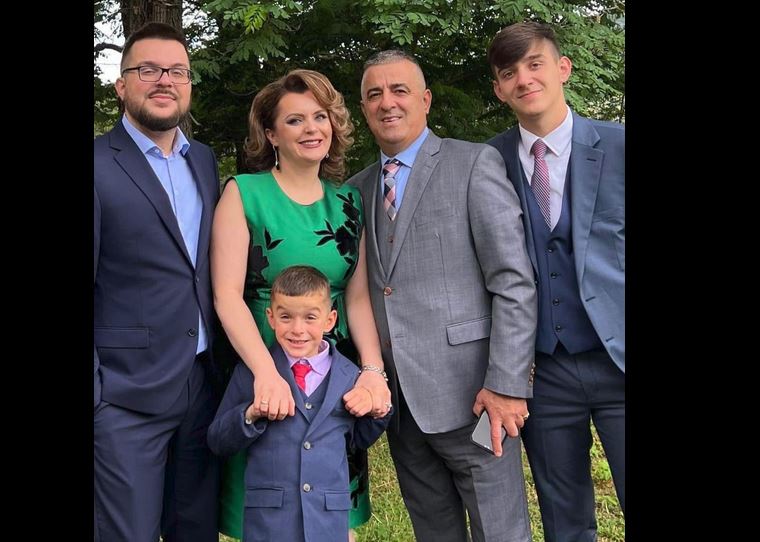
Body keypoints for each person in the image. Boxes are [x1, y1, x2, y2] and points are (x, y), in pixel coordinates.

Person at [348, 49, 537, 542]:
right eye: (374, 94)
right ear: (363, 108)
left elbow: (513, 281)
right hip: (401, 406)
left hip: (476, 397)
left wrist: (507, 384)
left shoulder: (473, 163)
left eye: (400, 90)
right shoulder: (355, 190)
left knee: (500, 533)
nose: (387, 102)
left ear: (426, 100)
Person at [211, 68, 392, 540]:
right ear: (271, 134)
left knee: (330, 510)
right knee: (269, 507)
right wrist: (265, 374)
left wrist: (372, 372)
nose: (312, 128)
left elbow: (357, 298)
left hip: (331, 375)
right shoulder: (244, 193)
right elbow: (226, 295)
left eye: (320, 116)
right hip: (263, 362)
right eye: (295, 120)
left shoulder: (349, 202)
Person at [486, 22, 625, 542]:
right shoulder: (489, 161)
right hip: (543, 372)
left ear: (562, 68)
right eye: (509, 72)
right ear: (499, 90)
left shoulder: (618, 145)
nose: (524, 79)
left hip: (619, 359)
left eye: (534, 64)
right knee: (564, 521)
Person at [94, 22, 220, 542]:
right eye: (148, 69)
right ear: (121, 85)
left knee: (196, 531)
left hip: (202, 386)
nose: (164, 80)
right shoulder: (97, 164)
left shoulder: (204, 161)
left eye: (177, 71)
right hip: (124, 397)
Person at [208, 265, 391, 542]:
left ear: (330, 320)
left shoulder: (349, 375)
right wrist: (251, 415)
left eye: (310, 318)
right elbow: (218, 441)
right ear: (270, 318)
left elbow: (361, 438)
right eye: (286, 317)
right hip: (270, 522)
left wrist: (377, 409)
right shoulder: (253, 373)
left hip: (327, 521)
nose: (297, 329)